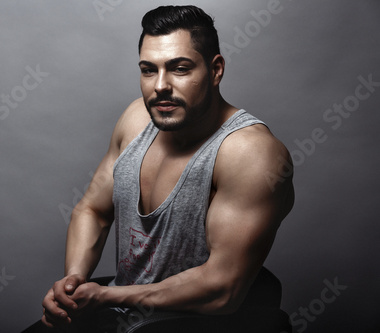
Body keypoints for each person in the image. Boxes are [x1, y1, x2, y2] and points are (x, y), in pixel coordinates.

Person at [23, 5, 294, 333]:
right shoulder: (136, 119)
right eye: (148, 70)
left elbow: (224, 289)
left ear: (216, 70)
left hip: (199, 321)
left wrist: (108, 295)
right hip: (124, 305)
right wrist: (72, 284)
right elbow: (92, 210)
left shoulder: (250, 153)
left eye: (179, 69)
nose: (160, 86)